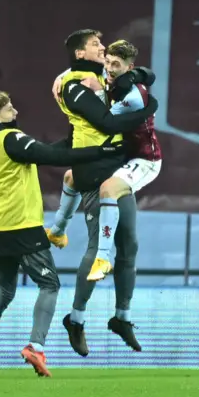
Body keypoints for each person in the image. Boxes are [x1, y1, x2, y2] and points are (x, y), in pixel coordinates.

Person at [0, 91, 125, 378]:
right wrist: (101, 152)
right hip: (21, 225)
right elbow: (51, 156)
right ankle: (36, 347)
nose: (15, 111)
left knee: (4, 292)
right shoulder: (9, 137)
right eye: (9, 108)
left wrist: (79, 140)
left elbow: (45, 149)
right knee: (49, 284)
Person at [51, 29, 158, 357]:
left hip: (116, 168)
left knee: (130, 245)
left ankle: (122, 317)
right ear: (81, 54)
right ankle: (77, 318)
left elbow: (145, 74)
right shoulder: (72, 85)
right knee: (101, 248)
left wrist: (133, 74)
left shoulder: (103, 75)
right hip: (96, 170)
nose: (103, 49)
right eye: (97, 46)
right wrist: (151, 107)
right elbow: (108, 124)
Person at [47, 40, 162, 279]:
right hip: (122, 154)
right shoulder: (108, 73)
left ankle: (102, 258)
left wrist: (97, 92)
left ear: (129, 68)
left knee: (108, 190)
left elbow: (106, 121)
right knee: (71, 176)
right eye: (107, 61)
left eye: (116, 65)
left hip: (145, 159)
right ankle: (57, 230)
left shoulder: (133, 95)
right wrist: (62, 77)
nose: (108, 68)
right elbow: (80, 68)